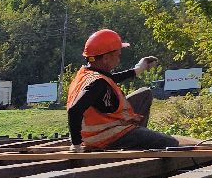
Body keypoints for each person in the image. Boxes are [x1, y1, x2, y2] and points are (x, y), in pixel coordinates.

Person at [66, 28, 201, 150]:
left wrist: (138, 69)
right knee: (169, 143)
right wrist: (76, 144)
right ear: (106, 58)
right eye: (118, 55)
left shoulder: (88, 73)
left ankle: (138, 136)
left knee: (145, 93)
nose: (119, 59)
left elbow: (111, 78)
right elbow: (74, 110)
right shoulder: (97, 83)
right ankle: (138, 140)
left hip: (105, 127)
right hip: (106, 136)